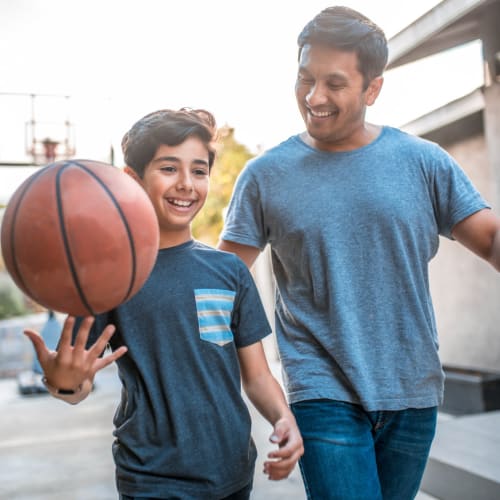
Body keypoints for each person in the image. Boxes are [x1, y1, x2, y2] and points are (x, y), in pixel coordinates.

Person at [218, 6, 500, 500]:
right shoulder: (265, 177)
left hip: (411, 389)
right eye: (305, 79)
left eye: (334, 83)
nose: (313, 97)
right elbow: (221, 285)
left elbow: (491, 239)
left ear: (373, 89)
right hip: (320, 389)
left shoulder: (424, 162)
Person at [24, 108, 303, 499]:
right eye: (169, 168)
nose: (187, 184)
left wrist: (283, 417)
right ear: (132, 180)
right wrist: (63, 381)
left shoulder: (229, 271)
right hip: (152, 478)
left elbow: (256, 376)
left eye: (199, 170)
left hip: (233, 472)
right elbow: (78, 382)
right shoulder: (108, 277)